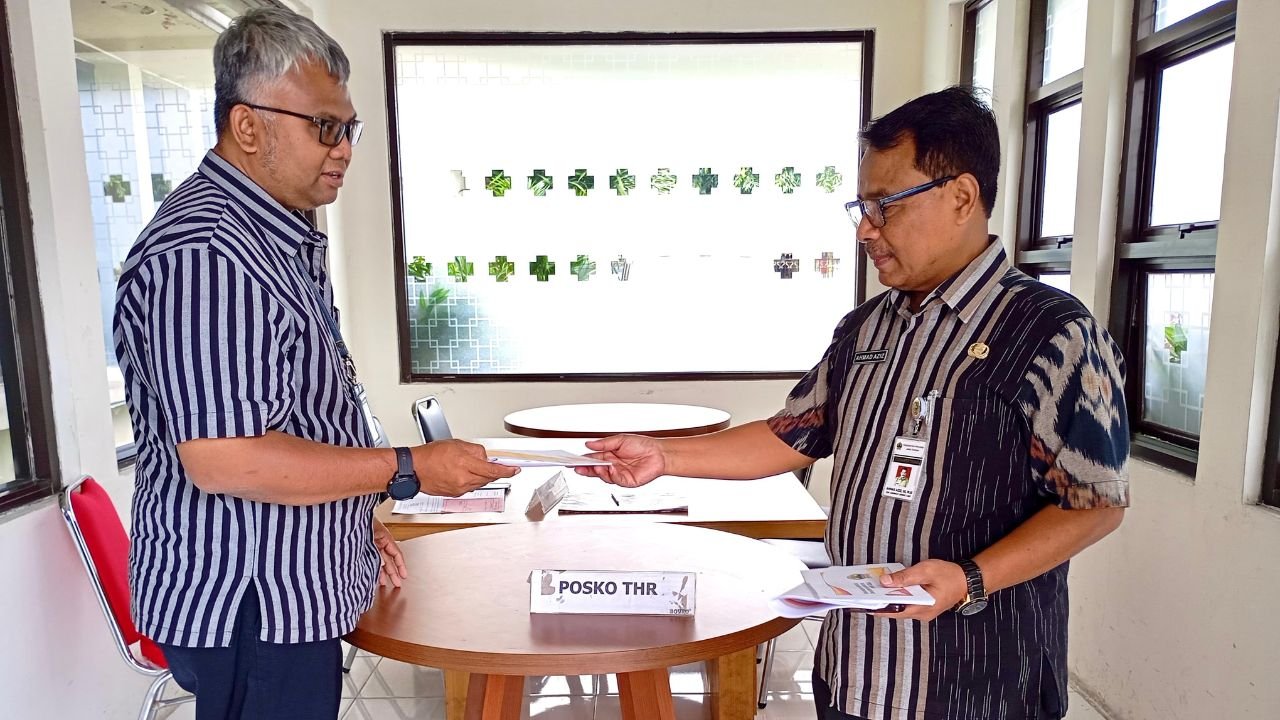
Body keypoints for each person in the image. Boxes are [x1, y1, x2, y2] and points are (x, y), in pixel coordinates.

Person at [577, 87, 1129, 720]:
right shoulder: (867, 327)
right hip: (856, 670)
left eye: (884, 206)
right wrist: (664, 456)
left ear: (961, 197)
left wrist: (968, 578)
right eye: (861, 207)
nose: (866, 229)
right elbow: (792, 435)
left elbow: (1095, 504)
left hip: (978, 683)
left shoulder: (1053, 333)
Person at [112, 9, 517, 719]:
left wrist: (351, 521)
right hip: (249, 600)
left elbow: (299, 415)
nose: (344, 150)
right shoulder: (210, 254)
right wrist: (407, 467)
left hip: (285, 581)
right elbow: (229, 459)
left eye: (349, 128)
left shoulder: (272, 235)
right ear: (247, 126)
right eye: (324, 128)